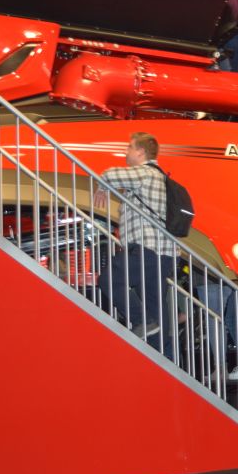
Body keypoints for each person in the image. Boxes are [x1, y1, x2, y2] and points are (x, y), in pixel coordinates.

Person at [94, 132, 175, 352]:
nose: (126, 152)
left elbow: (109, 174)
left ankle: (141, 321)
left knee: (110, 280)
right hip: (162, 253)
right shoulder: (158, 177)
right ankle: (163, 358)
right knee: (155, 306)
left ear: (141, 152)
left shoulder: (145, 173)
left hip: (146, 248)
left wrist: (101, 188)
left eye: (129, 147)